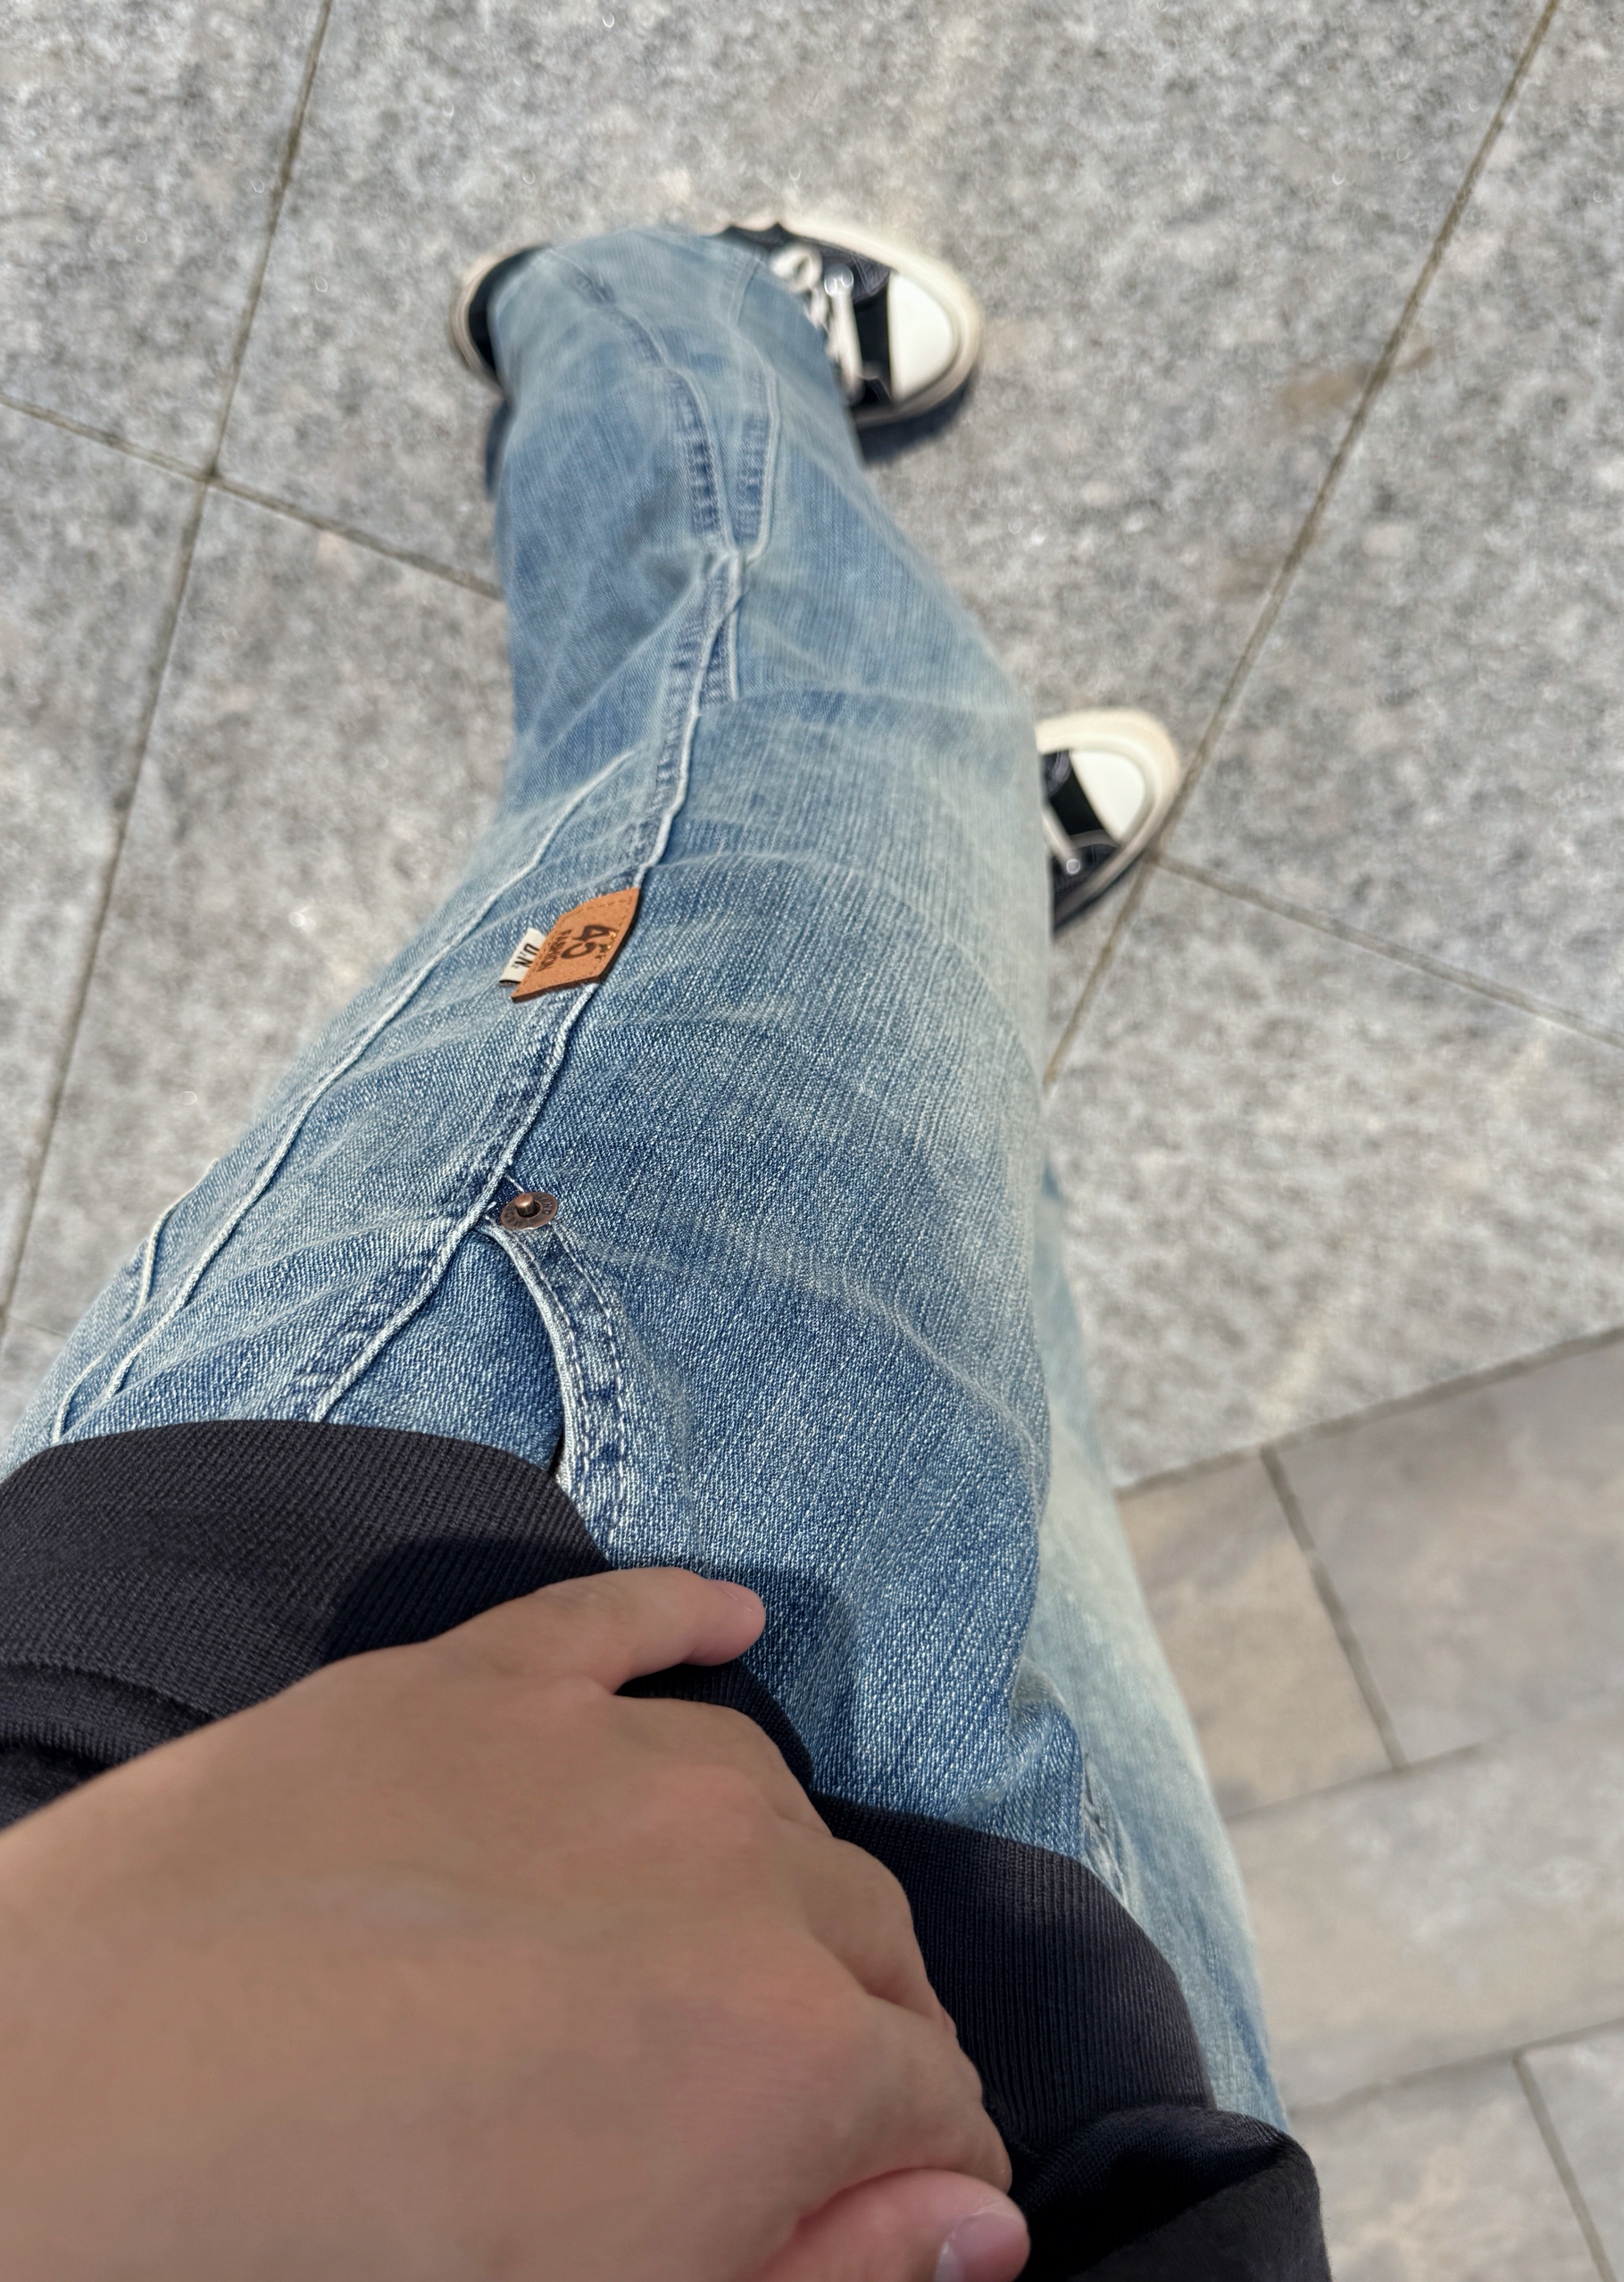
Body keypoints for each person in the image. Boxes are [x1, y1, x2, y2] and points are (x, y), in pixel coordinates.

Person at [0, 221, 1329, 2280]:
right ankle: (939, 913)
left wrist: (94, 2097)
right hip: (1119, 2128)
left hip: (420, 1709)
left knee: (783, 740)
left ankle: (640, 310)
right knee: (1005, 1344)